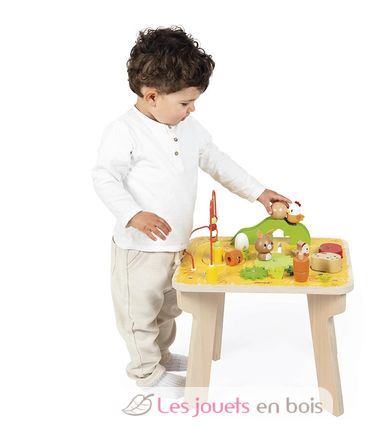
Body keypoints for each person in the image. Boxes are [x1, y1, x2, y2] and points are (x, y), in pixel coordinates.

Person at [92, 26, 292, 391]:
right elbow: (105, 178)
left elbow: (217, 161)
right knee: (139, 315)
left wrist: (258, 192)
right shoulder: (124, 132)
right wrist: (133, 214)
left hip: (177, 244)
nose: (192, 109)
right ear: (152, 96)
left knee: (168, 308)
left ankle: (161, 356)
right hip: (139, 250)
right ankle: (146, 373)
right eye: (185, 103)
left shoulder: (189, 127)